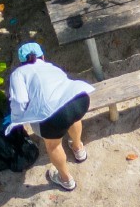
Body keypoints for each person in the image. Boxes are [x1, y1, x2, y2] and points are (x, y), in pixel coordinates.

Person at [8, 43, 94, 191]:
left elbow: (20, 100)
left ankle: (66, 179)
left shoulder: (18, 74)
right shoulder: (50, 66)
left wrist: (17, 118)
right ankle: (78, 148)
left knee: (53, 144)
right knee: (73, 118)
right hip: (79, 99)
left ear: (21, 62)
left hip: (53, 115)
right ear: (42, 56)